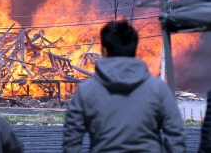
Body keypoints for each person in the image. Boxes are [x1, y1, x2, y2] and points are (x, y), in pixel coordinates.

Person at [63, 20, 185, 153]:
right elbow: (176, 137)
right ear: (135, 49)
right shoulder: (158, 89)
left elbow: (71, 141)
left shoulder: (86, 90)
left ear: (103, 50)